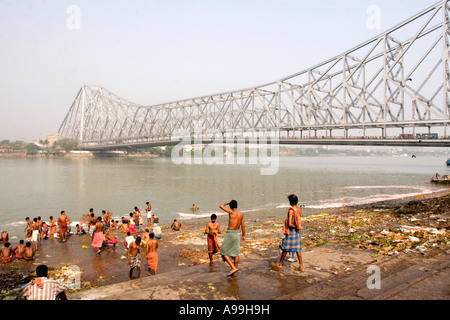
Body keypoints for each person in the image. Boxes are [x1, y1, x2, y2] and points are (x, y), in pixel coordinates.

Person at [270, 194, 305, 272]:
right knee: (298, 249)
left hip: (292, 231)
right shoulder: (298, 209)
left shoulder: (291, 210)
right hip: (297, 232)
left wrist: (293, 227)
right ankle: (301, 267)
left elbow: (289, 223)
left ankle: (279, 264)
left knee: (285, 248)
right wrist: (297, 227)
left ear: (290, 202)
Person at [219, 200, 245, 276]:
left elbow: (221, 205)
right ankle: (234, 272)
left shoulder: (231, 212)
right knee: (236, 253)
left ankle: (233, 268)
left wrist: (227, 203)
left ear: (230, 206)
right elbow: (243, 225)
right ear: (237, 206)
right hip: (237, 233)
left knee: (223, 251)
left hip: (230, 233)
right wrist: (243, 235)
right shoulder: (241, 214)